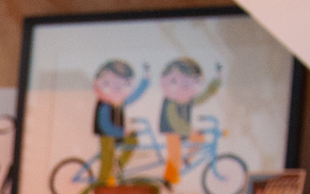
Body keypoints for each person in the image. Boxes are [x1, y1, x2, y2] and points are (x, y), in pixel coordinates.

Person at [158, 58, 222, 186]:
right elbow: (174, 121)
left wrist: (216, 81)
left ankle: (187, 158)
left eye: (189, 84)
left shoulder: (187, 99)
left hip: (183, 129)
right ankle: (168, 179)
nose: (183, 88)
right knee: (174, 153)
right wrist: (189, 130)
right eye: (175, 82)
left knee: (199, 138)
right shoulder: (171, 102)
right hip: (171, 129)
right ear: (164, 83)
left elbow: (203, 97)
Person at [92, 60, 149, 187]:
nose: (115, 89)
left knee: (132, 140)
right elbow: (105, 125)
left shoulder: (119, 101)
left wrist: (146, 79)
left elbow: (135, 95)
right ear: (97, 83)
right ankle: (101, 186)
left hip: (117, 133)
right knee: (107, 160)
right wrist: (122, 132)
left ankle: (117, 167)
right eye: (107, 84)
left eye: (122, 86)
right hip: (107, 134)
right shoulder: (105, 105)